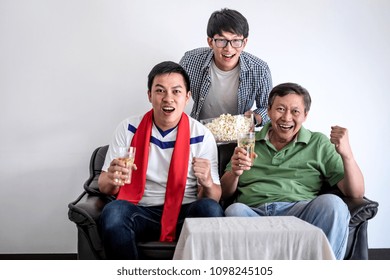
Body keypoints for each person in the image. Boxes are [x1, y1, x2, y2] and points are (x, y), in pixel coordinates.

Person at [220, 82, 365, 260]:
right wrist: (235, 172)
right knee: (234, 211)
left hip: (300, 213)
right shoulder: (249, 141)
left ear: (305, 115)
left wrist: (347, 155)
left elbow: (356, 193)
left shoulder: (318, 143)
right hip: (253, 213)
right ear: (269, 110)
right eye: (280, 109)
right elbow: (224, 194)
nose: (286, 118)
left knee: (333, 204)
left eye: (295, 111)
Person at [98, 61, 224, 259]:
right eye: (160, 91)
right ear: (149, 95)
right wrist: (113, 178)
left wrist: (207, 182)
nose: (168, 99)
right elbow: (104, 187)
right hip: (140, 209)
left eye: (176, 91)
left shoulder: (202, 135)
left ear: (187, 97)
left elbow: (215, 195)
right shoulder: (128, 128)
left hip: (185, 211)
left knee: (211, 209)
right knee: (113, 212)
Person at [179, 8, 272, 125]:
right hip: (199, 133)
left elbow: (269, 109)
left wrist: (254, 118)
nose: (229, 48)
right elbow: (175, 94)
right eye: (221, 40)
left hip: (239, 137)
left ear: (244, 43)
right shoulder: (190, 61)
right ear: (210, 42)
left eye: (236, 41)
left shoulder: (260, 70)